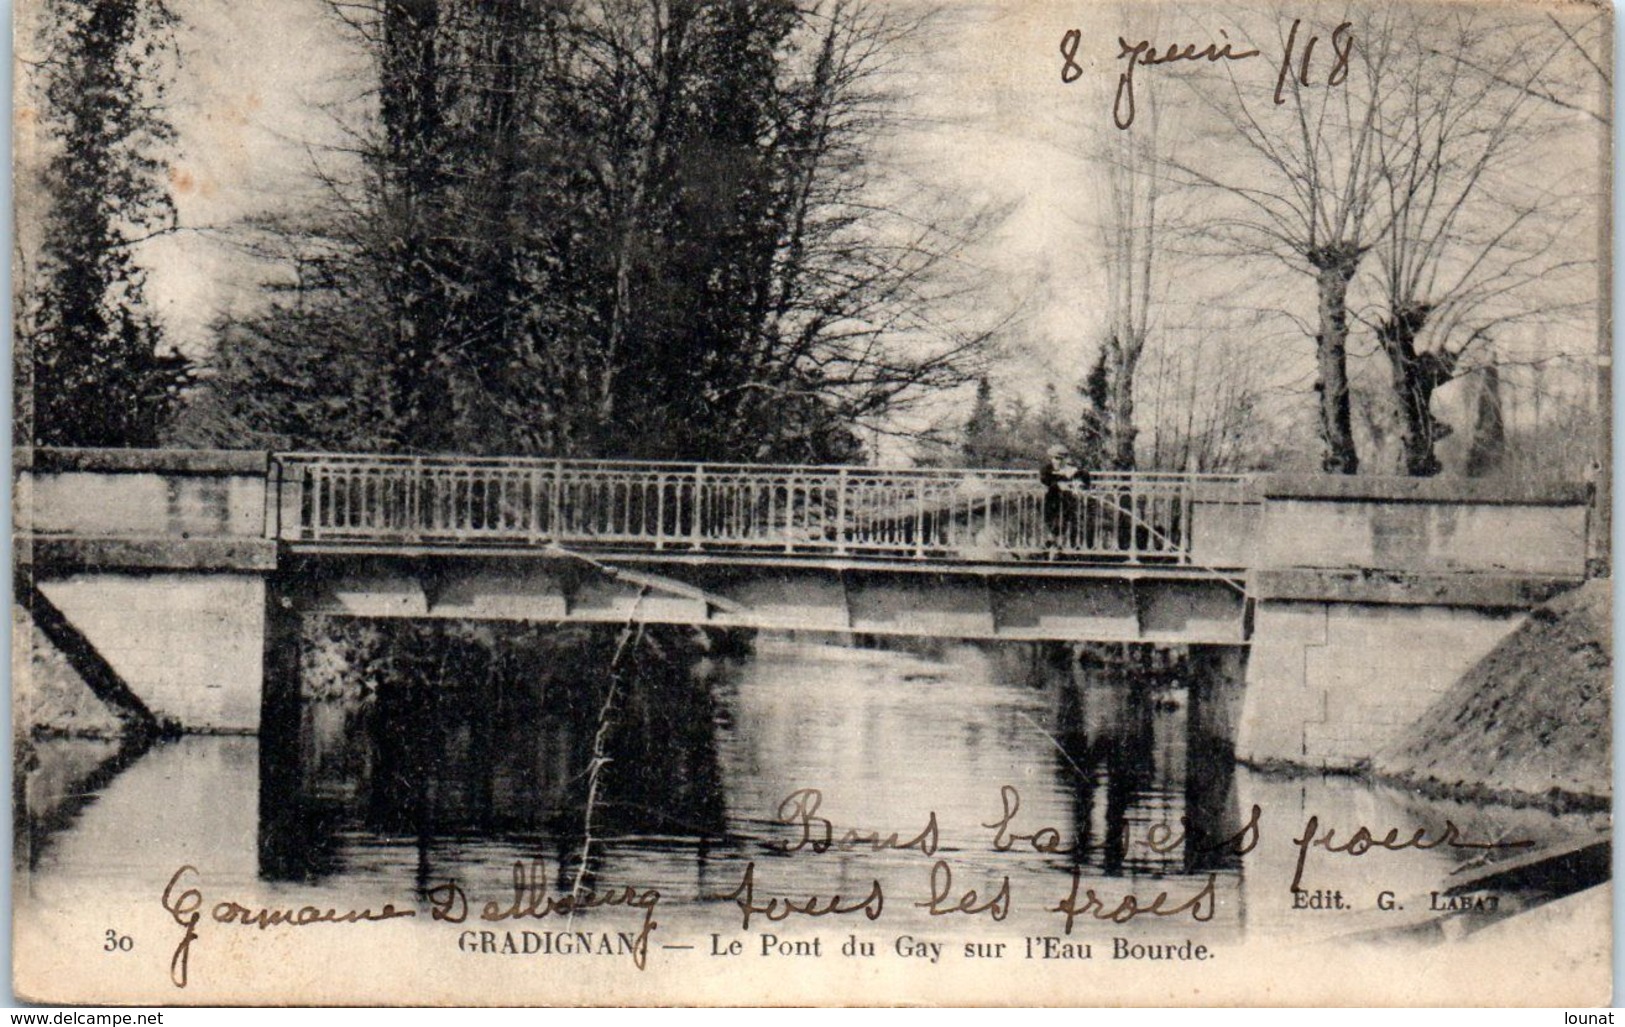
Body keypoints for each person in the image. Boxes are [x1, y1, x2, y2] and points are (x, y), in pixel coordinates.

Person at [1039, 444, 1088, 553]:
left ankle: (1056, 541)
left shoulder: (1071, 469)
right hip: (1052, 499)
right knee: (1053, 516)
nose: (1058, 461)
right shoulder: (1047, 469)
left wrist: (1077, 483)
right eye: (1056, 458)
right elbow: (1045, 480)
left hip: (1068, 500)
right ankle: (1053, 540)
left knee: (1067, 514)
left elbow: (1084, 477)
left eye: (1061, 459)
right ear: (1051, 458)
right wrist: (1058, 484)